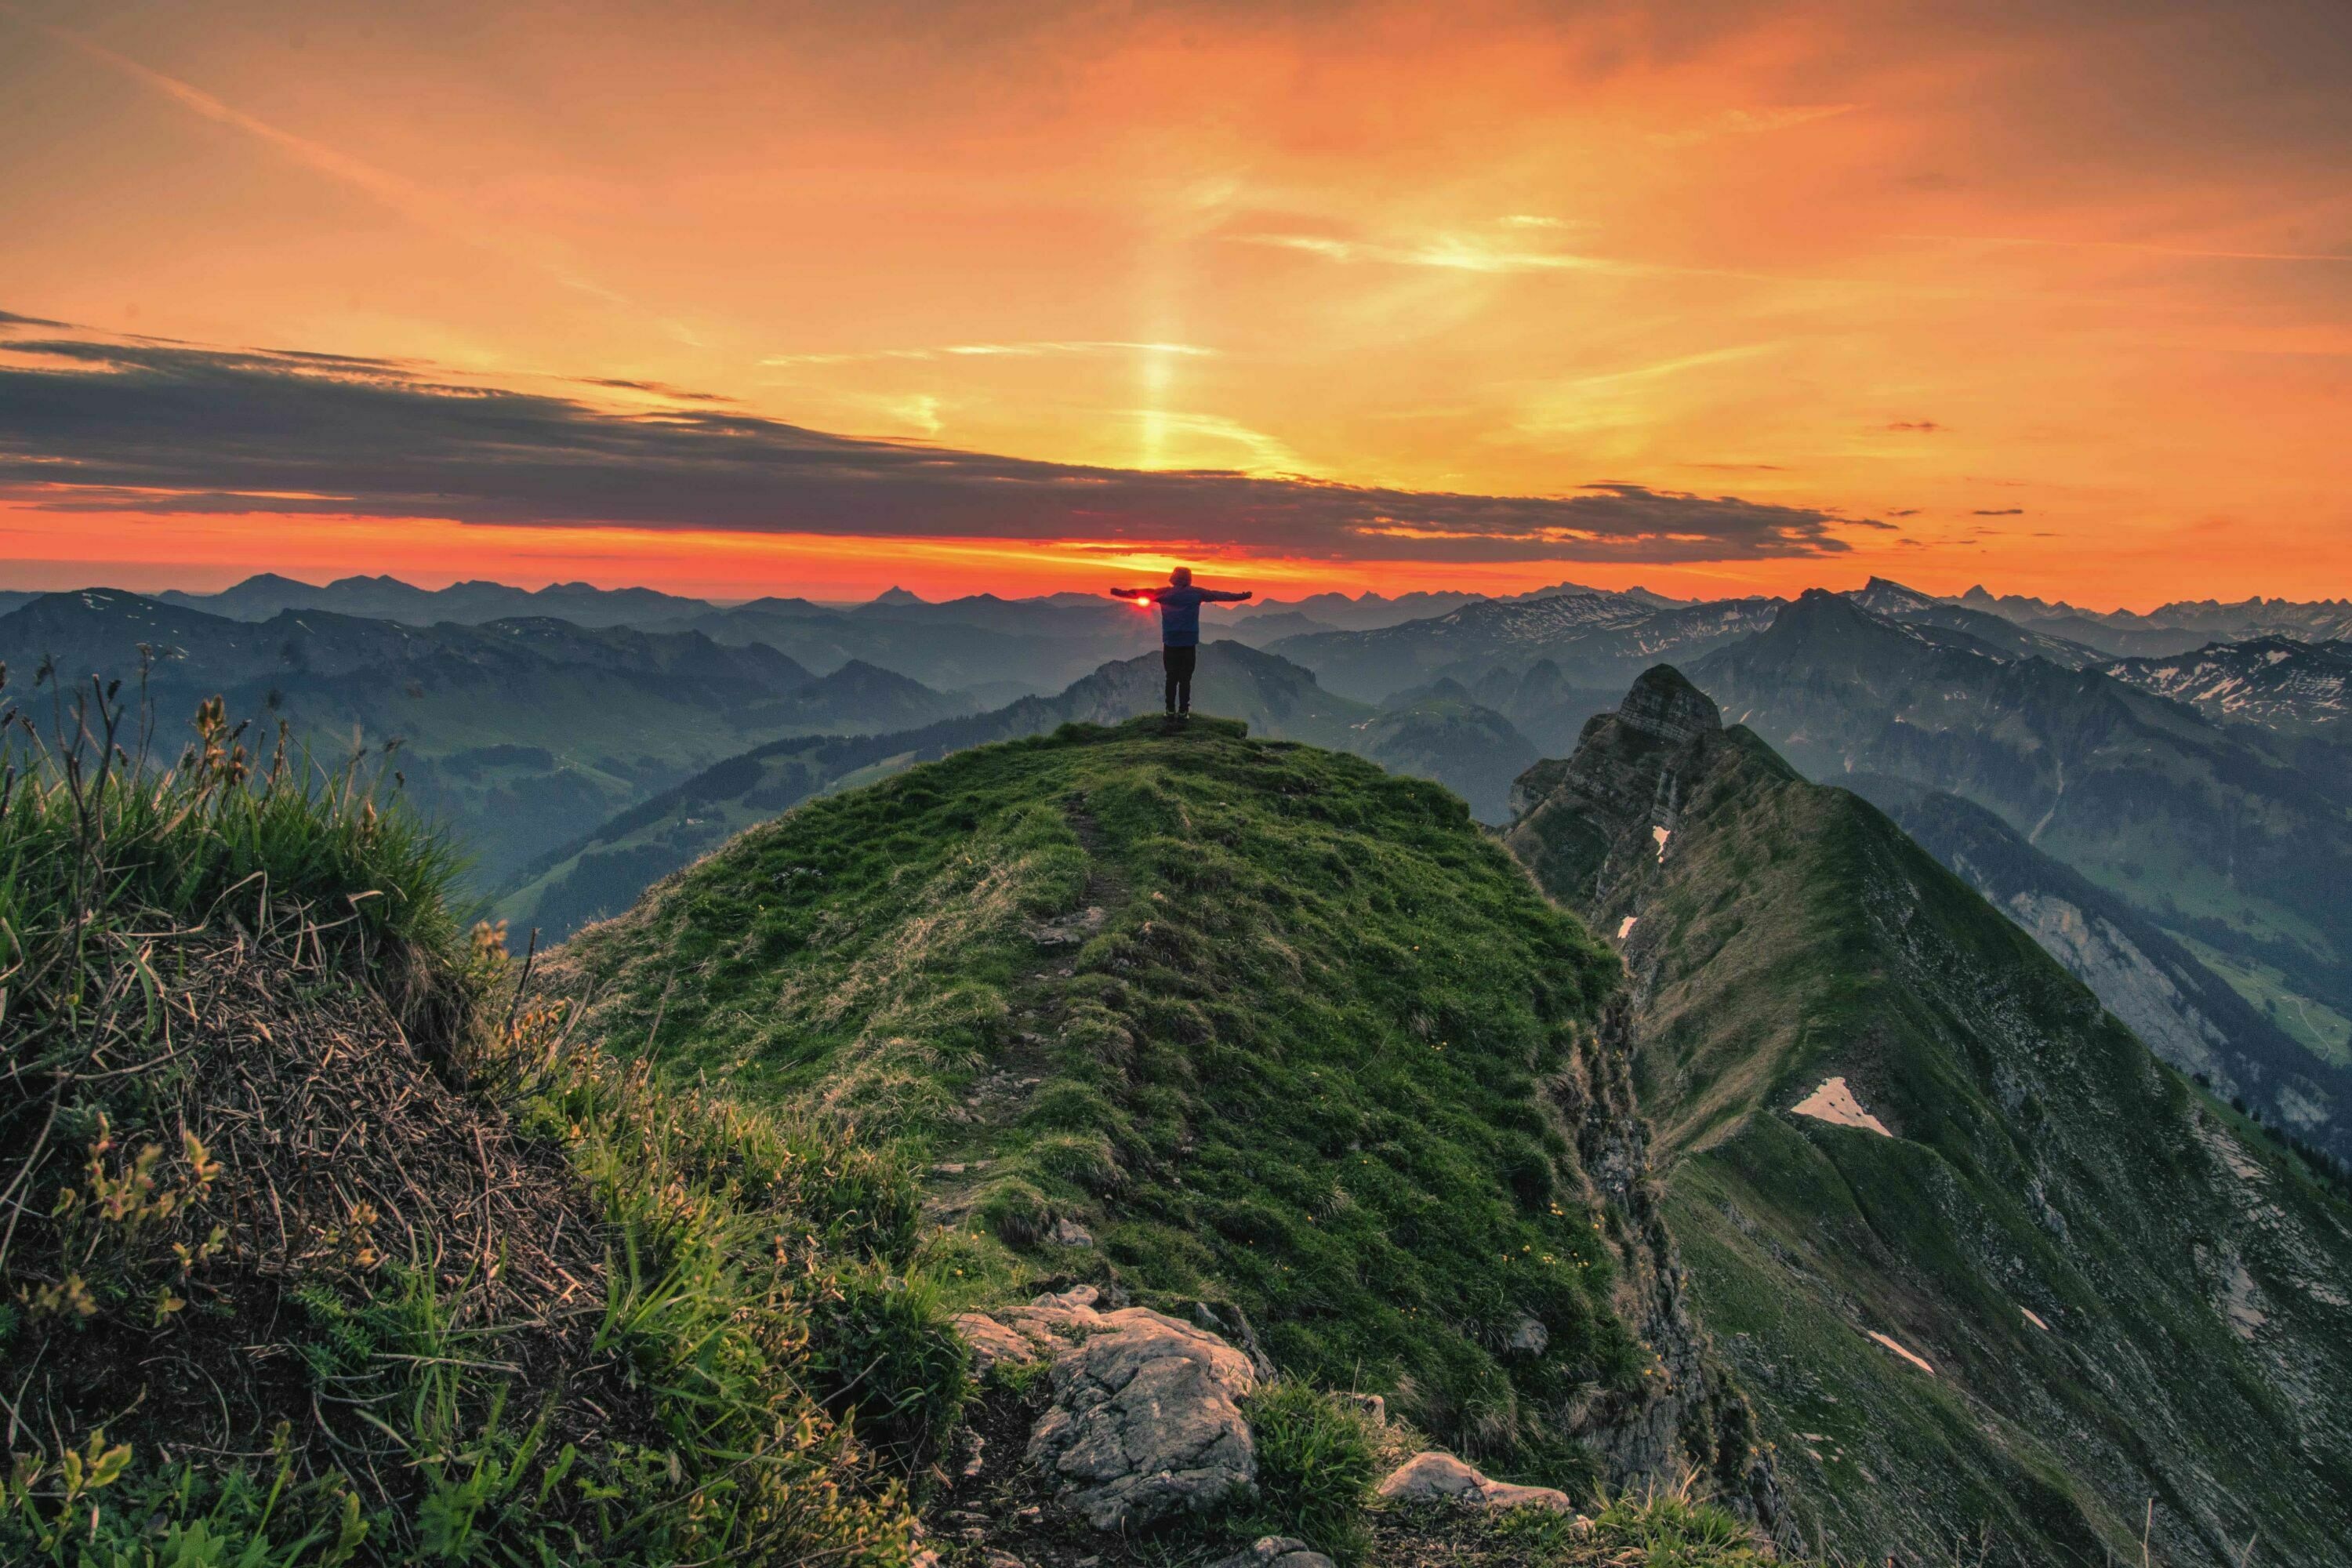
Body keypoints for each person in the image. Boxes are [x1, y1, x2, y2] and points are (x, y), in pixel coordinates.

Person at [1108, 567, 1251, 719]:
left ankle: (1170, 710)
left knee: (1171, 677)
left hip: (1171, 641)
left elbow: (1139, 593)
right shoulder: (1196, 593)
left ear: (1173, 578)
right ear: (1189, 578)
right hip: (1189, 642)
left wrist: (1117, 592)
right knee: (1185, 679)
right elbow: (1220, 595)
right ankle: (1183, 712)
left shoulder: (1165, 593)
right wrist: (1243, 596)